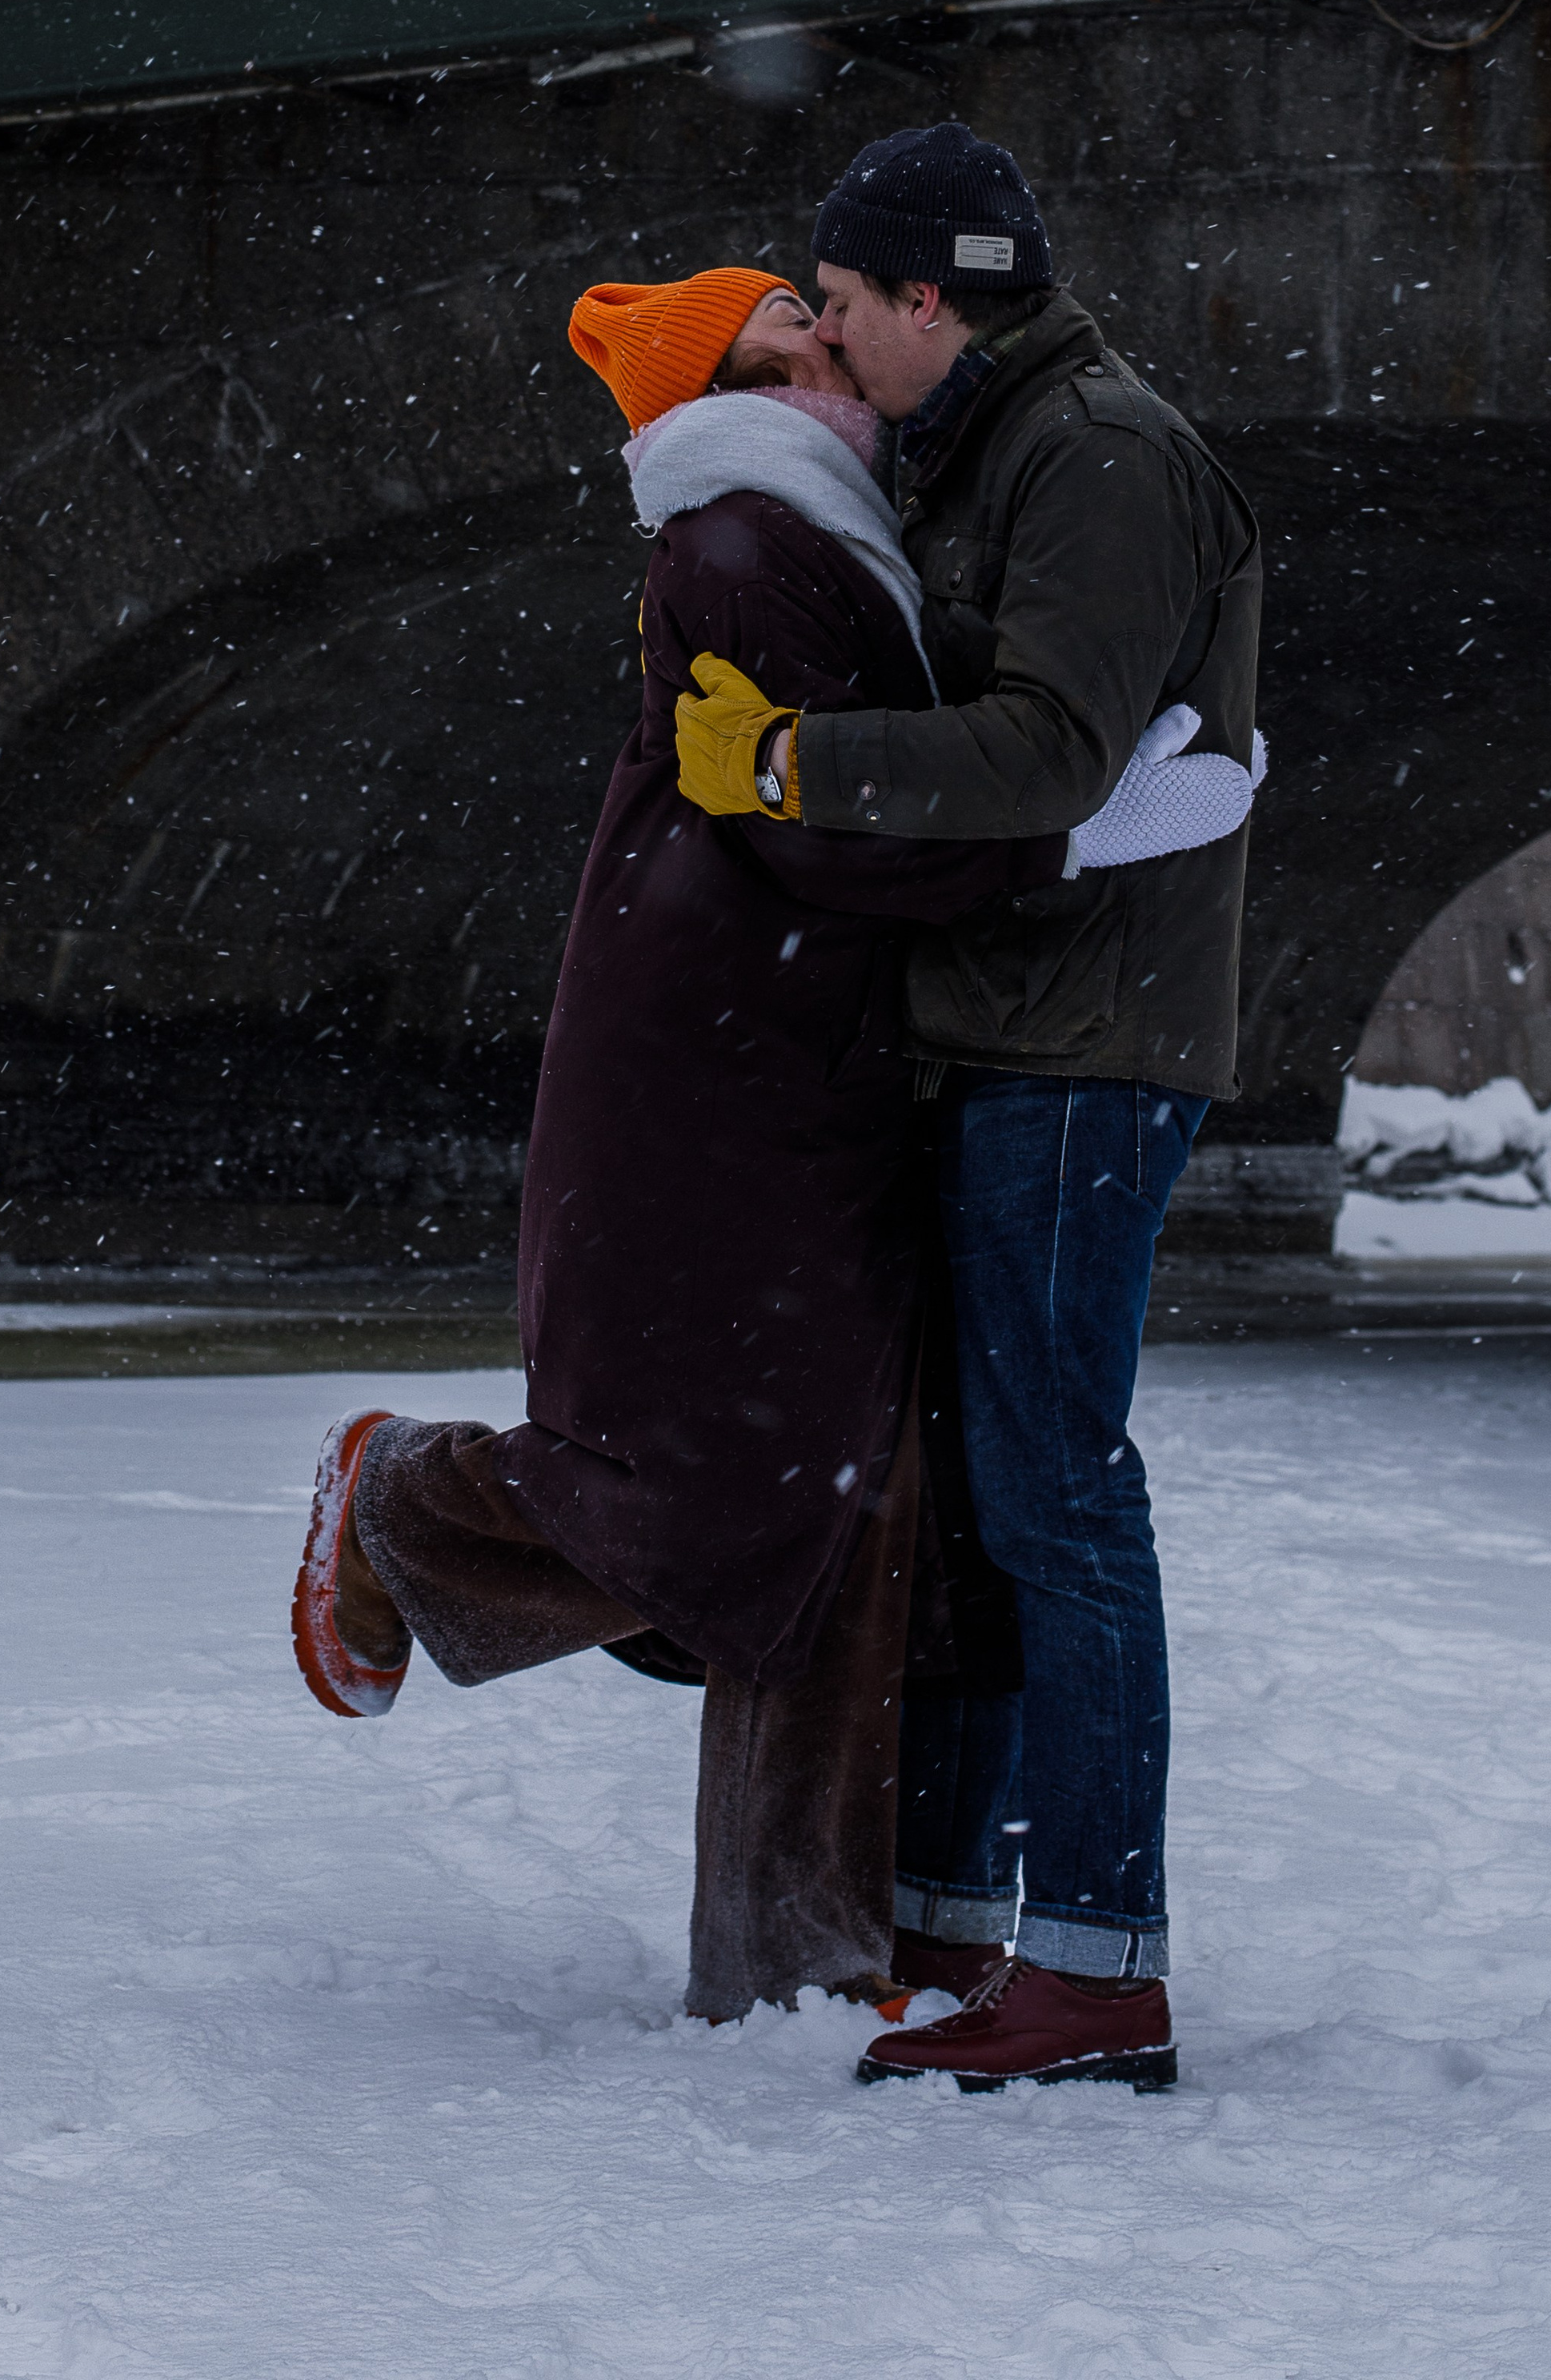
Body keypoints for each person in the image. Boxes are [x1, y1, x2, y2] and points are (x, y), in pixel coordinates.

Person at [291, 263, 1064, 2025]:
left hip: (805, 1064)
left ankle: (797, 1969)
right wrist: (1057, 842)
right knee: (743, 1494)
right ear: (737, 366)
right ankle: (409, 1497)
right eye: (793, 307)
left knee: (846, 1517)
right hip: (718, 1078)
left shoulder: (825, 528)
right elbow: (819, 833)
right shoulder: (738, 544)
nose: (829, 318)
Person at [675, 123, 1263, 2091]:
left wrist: (792, 768)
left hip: (1078, 1052)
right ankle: (947, 1911)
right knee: (981, 1500)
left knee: (1054, 1498)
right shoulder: (1002, 446)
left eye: (839, 302)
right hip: (1007, 1036)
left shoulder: (1095, 452)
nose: (826, 339)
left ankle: (1092, 1965)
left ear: (932, 294)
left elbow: (1049, 751)